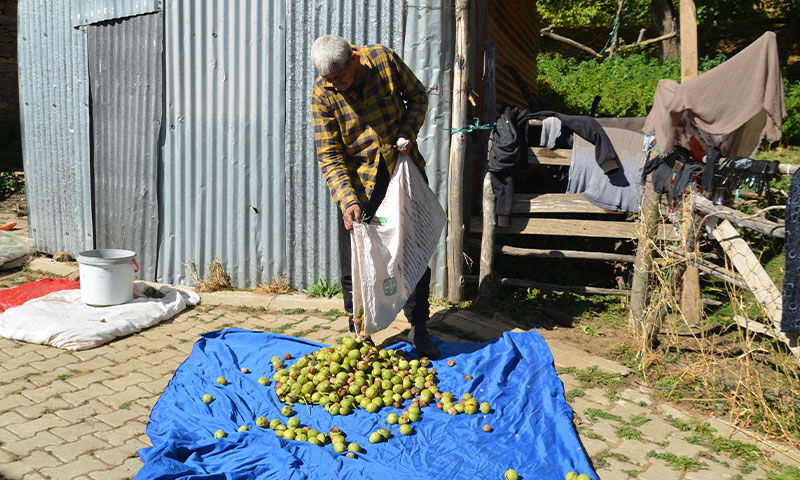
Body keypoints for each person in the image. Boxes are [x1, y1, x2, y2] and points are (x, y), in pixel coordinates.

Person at [309, 34, 439, 359]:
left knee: (415, 252)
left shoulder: (383, 60)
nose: (336, 85)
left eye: (340, 77)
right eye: (329, 80)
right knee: (356, 261)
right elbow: (329, 153)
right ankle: (360, 332)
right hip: (359, 183)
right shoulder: (322, 94)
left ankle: (418, 327)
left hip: (401, 172)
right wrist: (347, 200)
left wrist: (408, 132)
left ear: (356, 58)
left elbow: (418, 96)